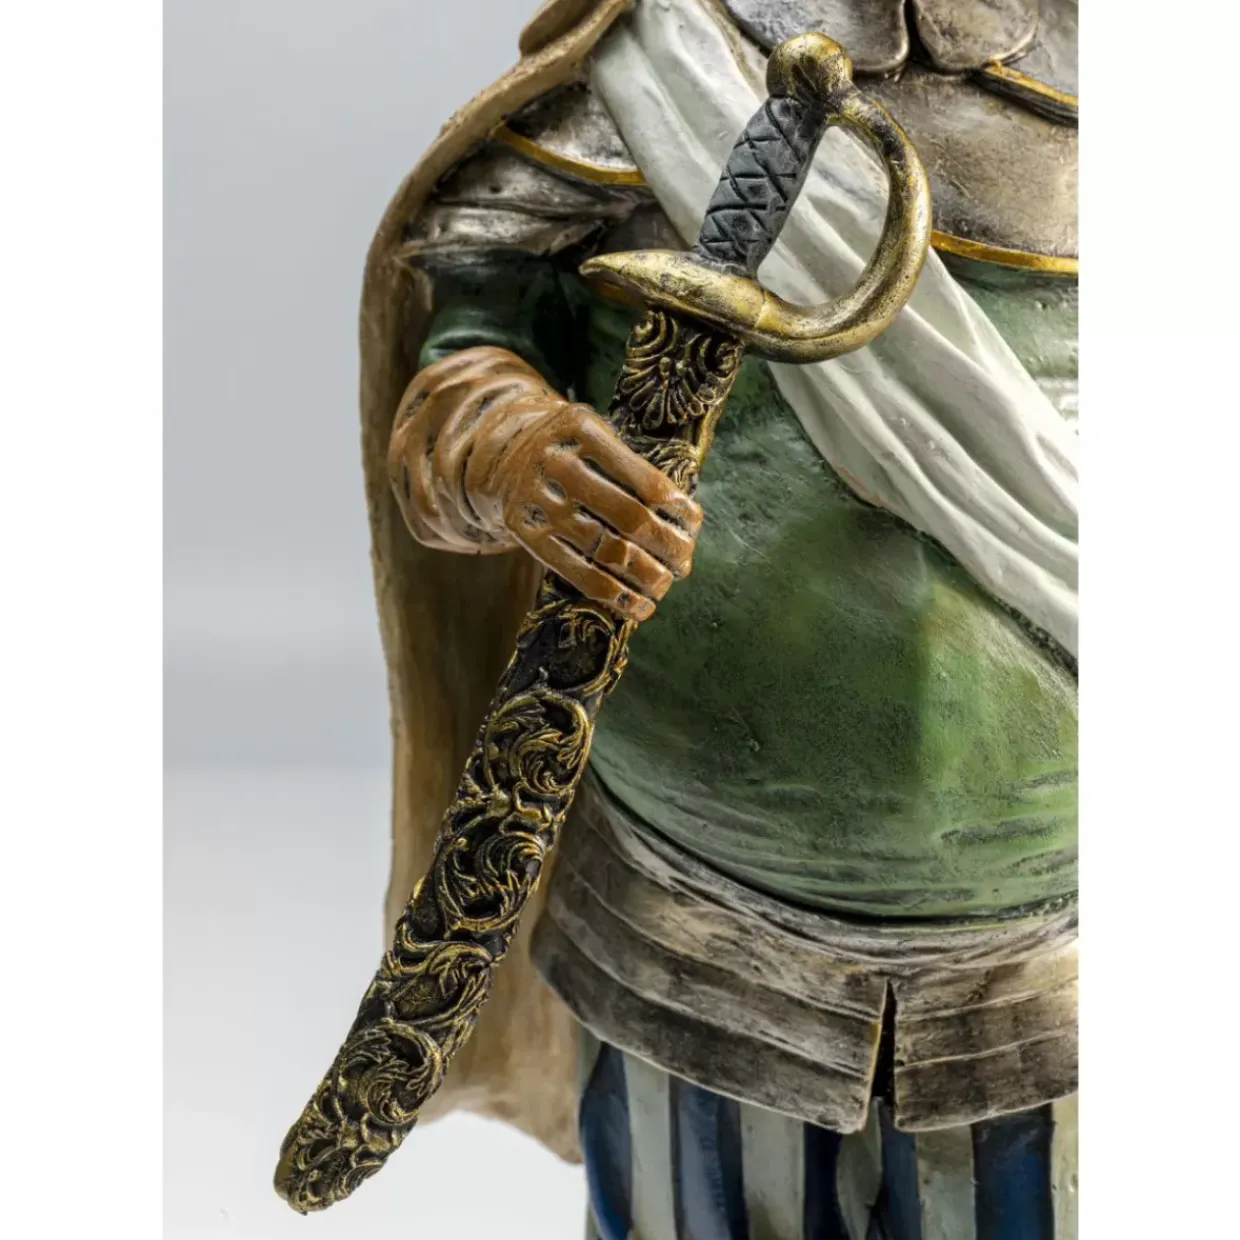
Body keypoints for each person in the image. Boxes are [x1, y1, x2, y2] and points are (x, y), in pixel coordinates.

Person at [362, 1, 1079, 1235]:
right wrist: (515, 449)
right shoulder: (650, 72)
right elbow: (466, 356)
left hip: (1061, 949)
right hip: (691, 930)